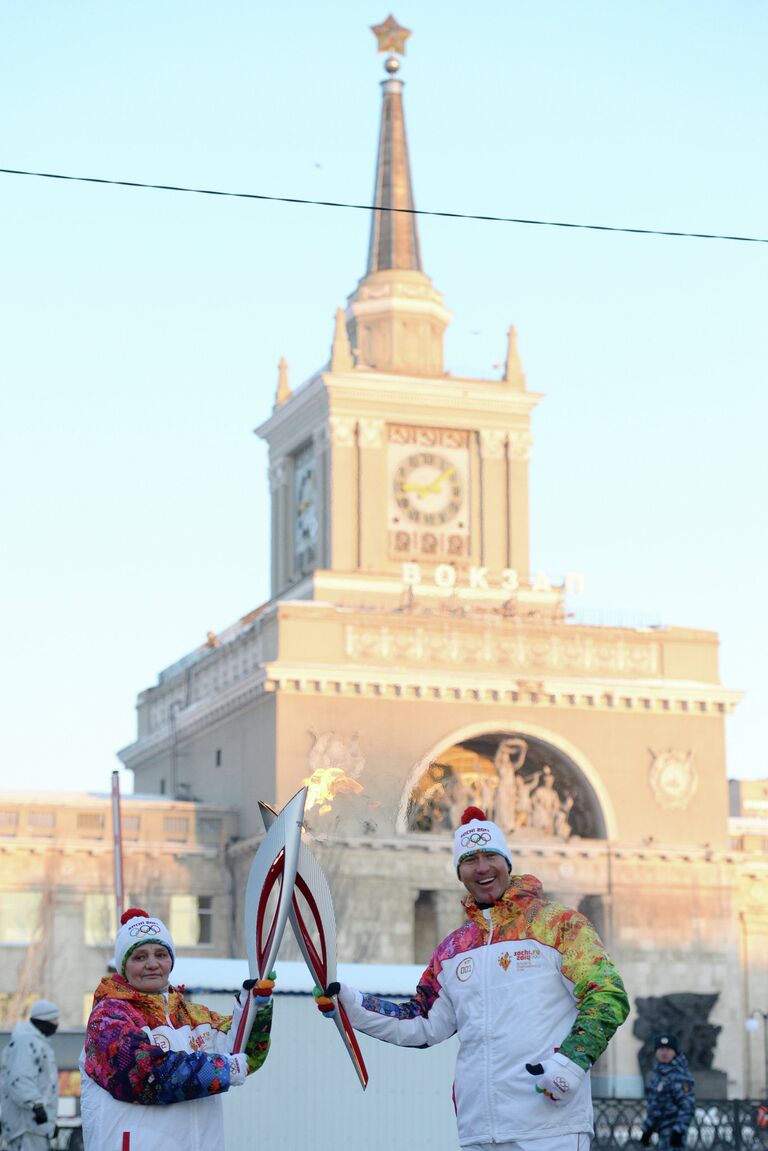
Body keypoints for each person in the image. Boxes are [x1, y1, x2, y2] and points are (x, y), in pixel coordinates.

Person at [318, 806, 629, 1151]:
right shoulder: (454, 950)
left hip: (548, 1129)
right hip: (479, 1132)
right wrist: (351, 1004)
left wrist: (570, 1063)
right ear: (459, 872)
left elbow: (607, 994)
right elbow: (421, 1023)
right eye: (469, 859)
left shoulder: (558, 925)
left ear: (507, 863)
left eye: (490, 855)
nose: (482, 867)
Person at [80, 907, 274, 1150]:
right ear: (124, 967)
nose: (152, 964)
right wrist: (222, 1069)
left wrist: (256, 1008)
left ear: (171, 961)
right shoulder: (109, 1018)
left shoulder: (194, 1016)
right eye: (139, 957)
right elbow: (144, 1075)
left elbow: (245, 1056)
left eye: (161, 954)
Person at [0, 997, 59, 1151]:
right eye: (54, 1019)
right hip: (26, 1125)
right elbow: (19, 1078)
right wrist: (36, 1106)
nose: (56, 1024)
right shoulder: (26, 1043)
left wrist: (50, 1122)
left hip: (34, 1125)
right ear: (43, 1020)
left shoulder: (34, 1042)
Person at [640, 1033, 696, 1150]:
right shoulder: (657, 1075)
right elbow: (655, 1105)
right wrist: (648, 1129)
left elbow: (687, 1106)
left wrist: (678, 1131)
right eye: (661, 1049)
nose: (664, 1053)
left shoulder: (681, 1075)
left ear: (675, 1052)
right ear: (656, 1052)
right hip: (661, 1132)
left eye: (668, 1049)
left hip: (673, 1134)